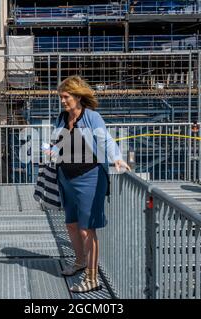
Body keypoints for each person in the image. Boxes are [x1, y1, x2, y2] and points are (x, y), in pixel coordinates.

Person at [52, 76, 130, 293]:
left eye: (66, 97)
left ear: (78, 96)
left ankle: (92, 277)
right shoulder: (62, 117)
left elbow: (105, 139)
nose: (63, 101)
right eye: (61, 97)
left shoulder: (92, 117)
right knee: (71, 224)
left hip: (89, 178)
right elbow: (57, 141)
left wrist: (116, 158)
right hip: (67, 178)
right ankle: (79, 262)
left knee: (88, 230)